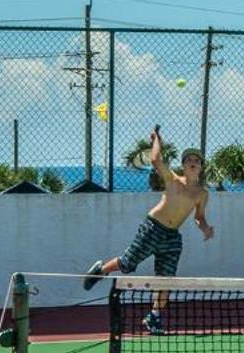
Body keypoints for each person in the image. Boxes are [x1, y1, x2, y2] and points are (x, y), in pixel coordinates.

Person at [82, 126, 215, 334]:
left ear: (201, 167)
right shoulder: (172, 180)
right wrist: (156, 139)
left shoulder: (202, 194)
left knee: (166, 280)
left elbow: (199, 217)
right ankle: (100, 270)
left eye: (196, 160)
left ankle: (154, 317)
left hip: (172, 238)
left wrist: (205, 228)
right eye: (189, 159)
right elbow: (155, 160)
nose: (192, 162)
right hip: (152, 228)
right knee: (127, 263)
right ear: (183, 165)